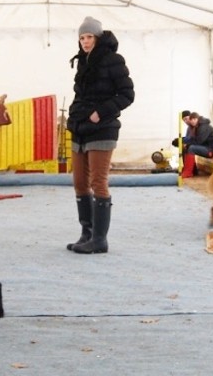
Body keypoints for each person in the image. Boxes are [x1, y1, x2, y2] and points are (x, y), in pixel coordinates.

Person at [65, 16, 135, 254]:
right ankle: (86, 233)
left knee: (98, 182)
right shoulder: (83, 62)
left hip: (102, 128)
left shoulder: (113, 60)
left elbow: (127, 95)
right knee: (79, 183)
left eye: (89, 37)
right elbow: (80, 96)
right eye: (82, 38)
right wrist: (73, 118)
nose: (85, 42)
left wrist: (100, 113)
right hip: (80, 128)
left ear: (98, 37)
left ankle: (99, 239)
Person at [180, 112, 213, 178]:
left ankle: (188, 172)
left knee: (191, 148)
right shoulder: (195, 127)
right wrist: (181, 141)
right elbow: (191, 139)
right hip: (206, 147)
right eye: (192, 120)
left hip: (211, 150)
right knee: (186, 147)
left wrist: (188, 144)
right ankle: (190, 170)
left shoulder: (203, 127)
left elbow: (199, 141)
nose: (193, 121)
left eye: (194, 119)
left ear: (198, 118)